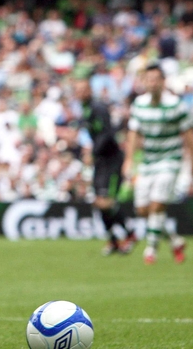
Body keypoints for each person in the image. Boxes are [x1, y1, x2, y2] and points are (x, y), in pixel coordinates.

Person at [122, 63, 193, 265]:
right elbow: (133, 134)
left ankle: (151, 250)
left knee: (156, 205)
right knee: (142, 210)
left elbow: (189, 135)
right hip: (148, 161)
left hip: (170, 160)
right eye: (149, 79)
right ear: (144, 82)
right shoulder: (139, 104)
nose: (153, 83)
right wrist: (129, 159)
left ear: (163, 82)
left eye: (156, 79)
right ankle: (175, 241)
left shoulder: (175, 105)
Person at [72, 76, 137, 256]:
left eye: (83, 89)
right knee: (98, 202)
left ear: (90, 90)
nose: (80, 93)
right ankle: (113, 240)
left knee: (106, 201)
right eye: (77, 90)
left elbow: (107, 134)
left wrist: (92, 153)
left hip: (111, 160)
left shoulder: (98, 108)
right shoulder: (85, 109)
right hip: (101, 161)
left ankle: (130, 234)